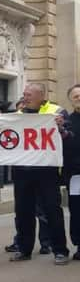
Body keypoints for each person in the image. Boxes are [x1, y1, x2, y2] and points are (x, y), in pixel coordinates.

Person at [0, 83, 70, 265]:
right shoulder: (17, 115)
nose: (25, 97)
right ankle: (24, 249)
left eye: (29, 94)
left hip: (47, 171)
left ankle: (60, 251)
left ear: (41, 95)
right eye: (24, 94)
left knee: (52, 211)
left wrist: (61, 129)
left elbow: (68, 137)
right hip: (22, 171)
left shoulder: (57, 112)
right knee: (23, 212)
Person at [63, 84, 80, 260]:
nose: (79, 98)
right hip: (75, 176)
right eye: (75, 96)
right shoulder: (66, 122)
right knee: (77, 211)